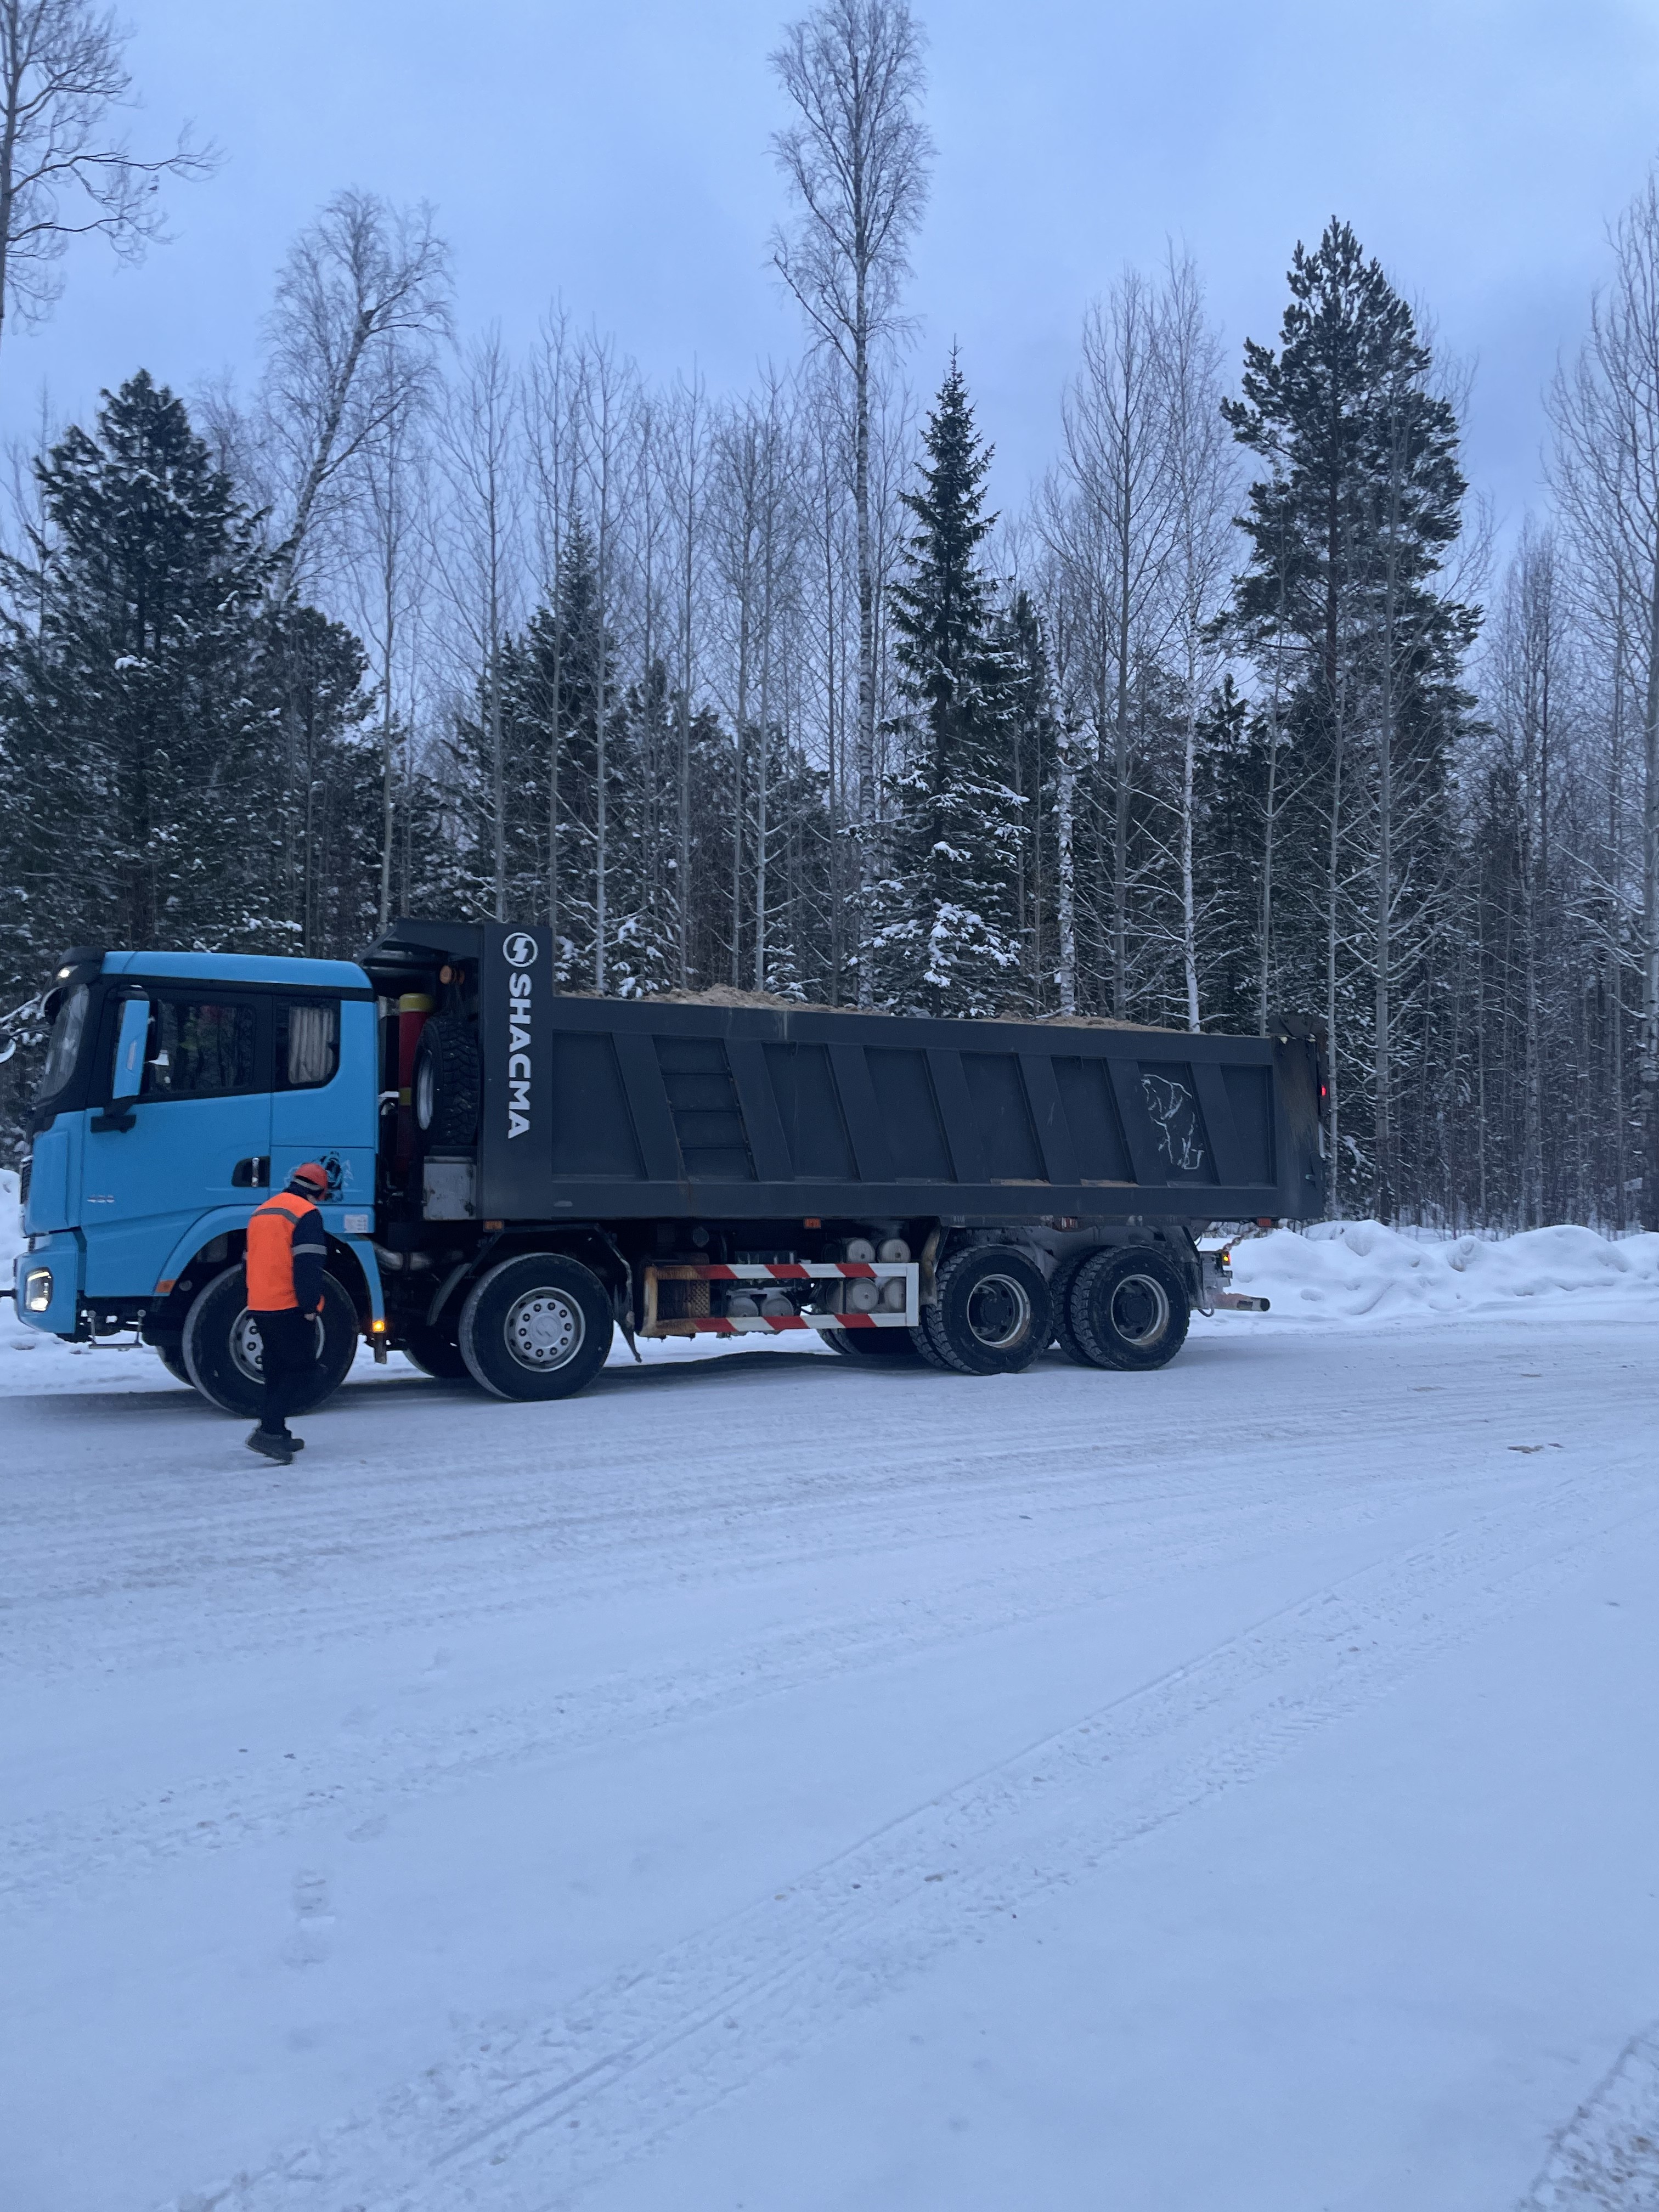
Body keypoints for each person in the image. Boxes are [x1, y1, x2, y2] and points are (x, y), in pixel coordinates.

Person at [244, 1161, 330, 1464]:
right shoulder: (306, 1213)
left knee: (276, 1370)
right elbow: (308, 1266)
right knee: (300, 1370)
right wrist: (309, 1307)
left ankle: (278, 1431)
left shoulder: (263, 1211)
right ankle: (268, 1432)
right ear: (319, 1190)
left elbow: (248, 1261)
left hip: (260, 1304)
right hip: (288, 1305)